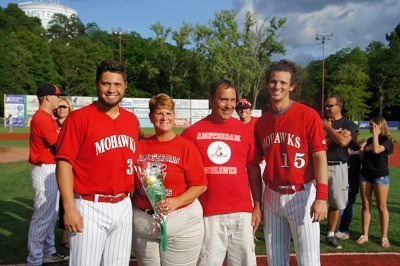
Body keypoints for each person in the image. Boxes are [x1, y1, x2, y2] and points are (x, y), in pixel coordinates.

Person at [55, 60, 139, 265]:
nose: (112, 89)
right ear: (96, 84)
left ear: (125, 85)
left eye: (117, 84)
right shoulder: (79, 118)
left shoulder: (131, 120)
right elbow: (64, 163)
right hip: (90, 206)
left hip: (123, 205)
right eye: (106, 83)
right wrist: (69, 208)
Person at [250, 59, 328, 266]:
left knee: (309, 259)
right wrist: (257, 203)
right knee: (275, 259)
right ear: (268, 84)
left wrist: (321, 197)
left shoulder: (308, 115)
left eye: (283, 83)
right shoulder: (262, 122)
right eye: (274, 81)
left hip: (302, 194)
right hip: (272, 195)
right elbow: (254, 164)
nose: (277, 86)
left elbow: (320, 156)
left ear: (292, 86)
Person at [181, 79, 262, 266]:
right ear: (211, 99)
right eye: (223, 100)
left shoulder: (245, 132)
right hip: (208, 212)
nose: (229, 105)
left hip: (242, 212)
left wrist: (257, 205)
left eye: (232, 100)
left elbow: (253, 170)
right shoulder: (192, 133)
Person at [132, 93, 208, 265]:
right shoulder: (139, 146)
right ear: (151, 117)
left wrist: (176, 201)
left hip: (180, 221)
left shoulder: (186, 146)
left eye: (168, 113)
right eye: (159, 113)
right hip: (144, 222)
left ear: (174, 117)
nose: (164, 117)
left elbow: (201, 185)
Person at [27, 83, 68, 265]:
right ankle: (34, 258)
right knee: (42, 216)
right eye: (58, 96)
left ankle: (48, 251)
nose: (59, 99)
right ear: (48, 98)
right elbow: (58, 145)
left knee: (51, 214)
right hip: (45, 169)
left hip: (51, 169)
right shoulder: (42, 118)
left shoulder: (48, 118)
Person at [322, 95, 357, 249]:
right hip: (320, 165)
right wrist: (335, 135)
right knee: (310, 200)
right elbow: (316, 141)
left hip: (338, 167)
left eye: (331, 106)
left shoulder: (348, 123)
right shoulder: (320, 121)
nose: (327, 108)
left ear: (339, 106)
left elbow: (343, 142)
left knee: (336, 203)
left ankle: (330, 235)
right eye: (326, 106)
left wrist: (328, 130)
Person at [356, 116, 395, 248]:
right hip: (365, 176)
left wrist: (376, 136)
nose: (371, 127)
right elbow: (362, 159)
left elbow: (376, 150)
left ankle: (384, 237)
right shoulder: (370, 140)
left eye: (374, 125)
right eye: (370, 125)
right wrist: (361, 148)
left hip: (380, 177)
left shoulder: (386, 141)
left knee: (381, 207)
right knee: (366, 206)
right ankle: (365, 235)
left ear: (380, 126)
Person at [53, 97, 73, 249]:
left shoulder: (72, 123)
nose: (60, 109)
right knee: (60, 203)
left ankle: (68, 235)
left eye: (64, 107)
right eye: (59, 107)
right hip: (54, 166)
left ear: (69, 108)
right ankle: (64, 236)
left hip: (70, 167)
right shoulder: (52, 124)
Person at [335, 126, 361, 240]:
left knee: (349, 206)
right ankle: (334, 229)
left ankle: (344, 229)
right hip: (340, 178)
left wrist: (363, 148)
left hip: (353, 180)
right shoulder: (340, 145)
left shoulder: (359, 146)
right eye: (352, 132)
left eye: (356, 132)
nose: (354, 134)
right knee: (337, 206)